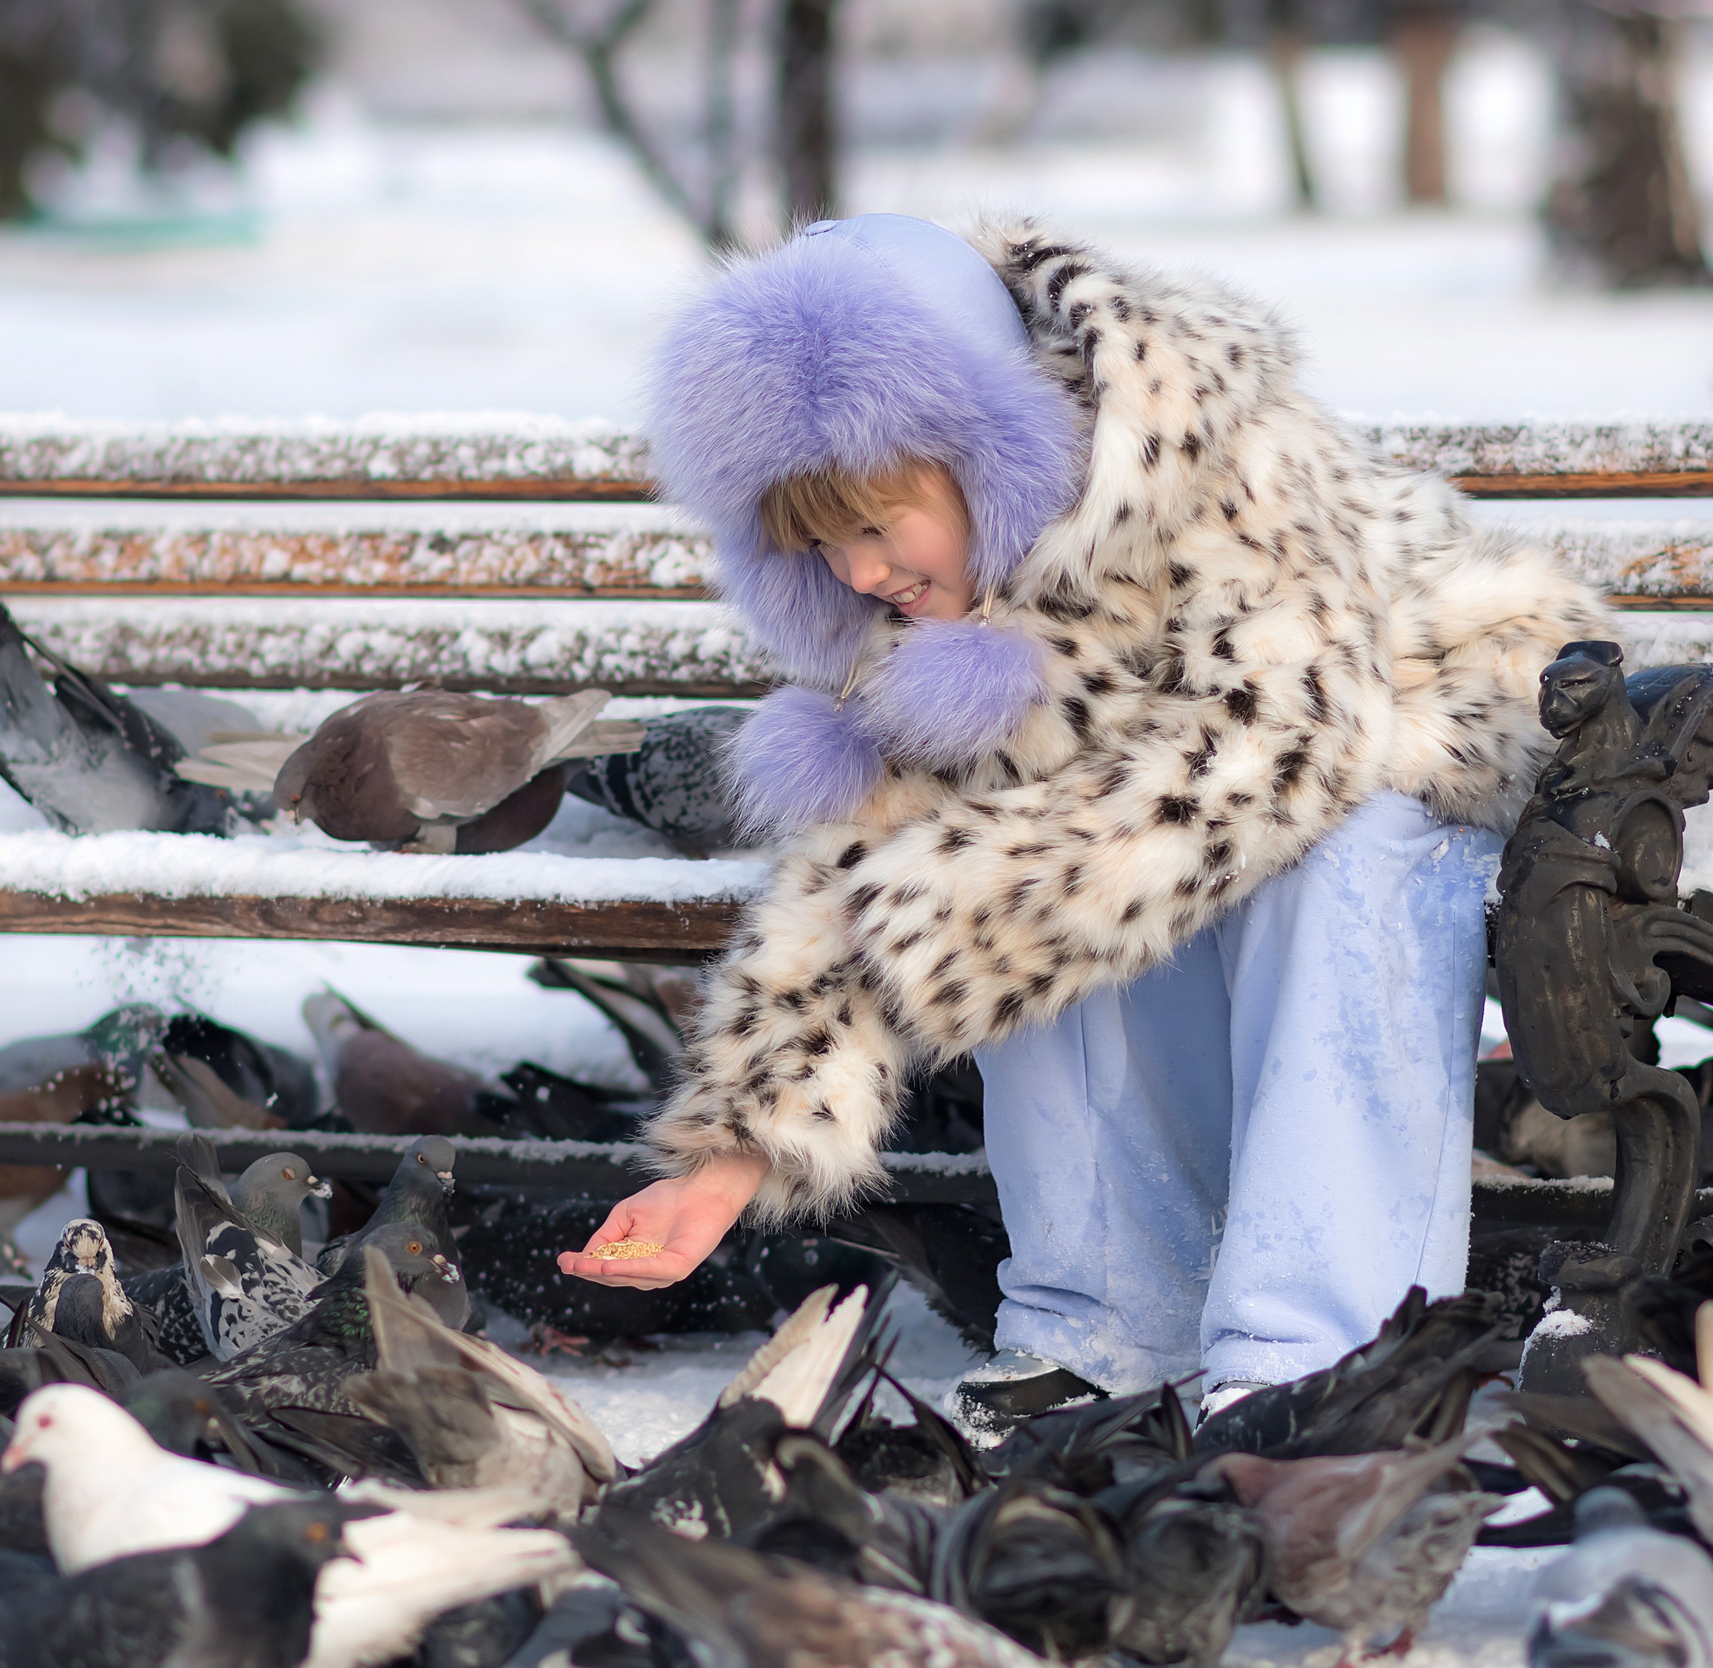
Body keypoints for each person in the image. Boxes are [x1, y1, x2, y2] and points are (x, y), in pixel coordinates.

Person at [557, 213, 1606, 1437]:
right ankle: (1109, 1323)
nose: (855, 574)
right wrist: (728, 1162)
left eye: (873, 524)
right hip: (1181, 810)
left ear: (983, 446)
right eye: (819, 544)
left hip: (1410, 744)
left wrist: (974, 891)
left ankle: (1320, 1350)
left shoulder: (1208, 458)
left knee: (1308, 859)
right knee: (987, 861)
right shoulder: (937, 609)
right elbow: (853, 872)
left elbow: (1278, 754)